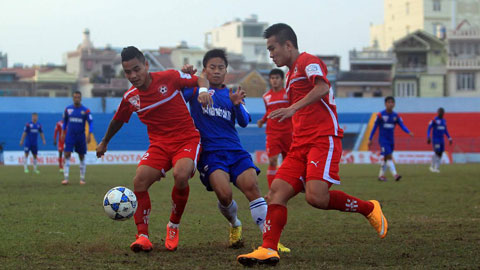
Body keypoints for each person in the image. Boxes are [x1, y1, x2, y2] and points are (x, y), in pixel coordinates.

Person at [237, 23, 388, 267]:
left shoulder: (308, 61)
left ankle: (369, 208)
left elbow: (323, 86)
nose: (271, 54)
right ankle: (268, 249)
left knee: (316, 198)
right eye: (268, 50)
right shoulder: (289, 74)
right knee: (276, 192)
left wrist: (293, 108)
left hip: (322, 139)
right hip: (300, 145)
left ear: (288, 45)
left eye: (272, 48)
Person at [96, 46, 210, 253]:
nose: (133, 75)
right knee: (139, 180)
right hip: (159, 145)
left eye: (137, 69)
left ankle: (173, 226)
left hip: (186, 140)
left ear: (146, 65)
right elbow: (118, 120)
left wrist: (202, 91)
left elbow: (201, 79)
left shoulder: (170, 77)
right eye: (128, 72)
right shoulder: (131, 97)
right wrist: (104, 142)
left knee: (181, 175)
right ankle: (143, 236)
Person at [181, 49, 289, 252]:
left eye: (221, 68)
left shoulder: (232, 93)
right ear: (205, 69)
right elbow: (176, 94)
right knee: (225, 195)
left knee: (252, 188)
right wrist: (186, 75)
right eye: (212, 67)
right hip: (211, 154)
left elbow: (244, 120)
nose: (216, 71)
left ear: (226, 71)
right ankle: (235, 224)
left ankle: (271, 240)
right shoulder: (195, 91)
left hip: (235, 151)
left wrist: (237, 104)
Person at [257, 68, 292, 187]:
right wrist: (263, 120)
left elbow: (294, 110)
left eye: (277, 78)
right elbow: (269, 111)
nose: (274, 81)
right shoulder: (266, 96)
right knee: (272, 160)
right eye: (272, 78)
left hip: (288, 132)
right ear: (269, 80)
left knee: (289, 162)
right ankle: (272, 190)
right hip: (272, 133)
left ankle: (288, 187)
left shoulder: (288, 94)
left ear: (282, 80)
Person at [368, 96, 414, 181]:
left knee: (386, 158)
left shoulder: (396, 116)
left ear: (394, 104)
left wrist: (408, 132)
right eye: (388, 102)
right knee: (389, 156)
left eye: (392, 102)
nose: (390, 104)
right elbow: (374, 127)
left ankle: (381, 176)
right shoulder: (380, 115)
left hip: (391, 140)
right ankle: (395, 175)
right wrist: (370, 138)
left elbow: (402, 125)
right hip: (383, 140)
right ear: (385, 104)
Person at [61, 91, 93, 185]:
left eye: (78, 97)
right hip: (70, 136)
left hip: (80, 136)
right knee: (67, 154)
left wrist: (89, 134)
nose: (76, 99)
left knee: (82, 156)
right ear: (73, 98)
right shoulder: (68, 109)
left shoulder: (85, 110)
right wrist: (63, 132)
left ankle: (82, 179)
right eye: (75, 97)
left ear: (81, 98)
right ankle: (66, 178)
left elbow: (91, 122)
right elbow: (65, 122)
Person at [427, 107, 452, 173]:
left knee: (441, 153)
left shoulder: (444, 121)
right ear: (437, 112)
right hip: (435, 139)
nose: (440, 113)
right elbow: (429, 128)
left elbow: (445, 130)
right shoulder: (434, 120)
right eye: (439, 112)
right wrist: (428, 136)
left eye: (442, 112)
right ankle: (432, 166)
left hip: (442, 140)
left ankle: (436, 168)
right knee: (437, 152)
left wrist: (449, 138)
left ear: (443, 113)